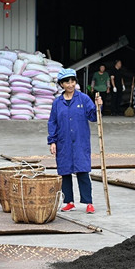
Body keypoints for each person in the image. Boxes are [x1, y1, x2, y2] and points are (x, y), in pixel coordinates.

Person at [47, 68, 102, 214]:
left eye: (72, 81)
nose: (70, 84)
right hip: (63, 141)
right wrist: (52, 141)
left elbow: (93, 117)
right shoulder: (57, 103)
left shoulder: (83, 99)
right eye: (67, 82)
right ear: (61, 84)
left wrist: (98, 106)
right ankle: (69, 202)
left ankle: (88, 202)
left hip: (80, 141)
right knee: (65, 172)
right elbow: (52, 122)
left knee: (82, 171)